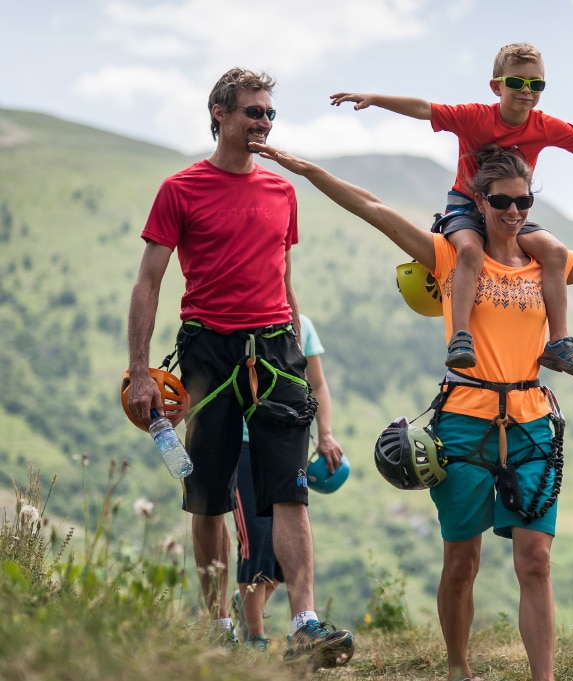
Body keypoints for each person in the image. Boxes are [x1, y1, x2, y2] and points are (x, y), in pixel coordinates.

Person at [249, 139, 573, 681]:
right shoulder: (450, 255)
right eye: (501, 202)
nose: (514, 213)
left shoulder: (547, 265)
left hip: (534, 422)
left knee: (535, 560)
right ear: (479, 202)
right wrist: (302, 166)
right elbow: (371, 207)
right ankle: (458, 668)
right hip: (463, 420)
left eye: (523, 203)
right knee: (462, 562)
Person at [125, 67, 353, 668]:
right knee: (208, 496)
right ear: (219, 115)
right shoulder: (181, 188)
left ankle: (304, 623)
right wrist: (141, 369)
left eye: (270, 114)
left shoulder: (283, 192)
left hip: (276, 351)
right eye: (253, 111)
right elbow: (149, 280)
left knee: (291, 491)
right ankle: (219, 625)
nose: (264, 123)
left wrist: (301, 361)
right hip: (207, 351)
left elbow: (284, 281)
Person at [330, 42, 573, 379]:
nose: (526, 90)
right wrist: (375, 98)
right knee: (469, 250)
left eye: (536, 83)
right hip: (467, 206)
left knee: (556, 252)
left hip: (512, 209)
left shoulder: (544, 125)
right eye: (516, 82)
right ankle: (461, 336)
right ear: (496, 86)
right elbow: (426, 109)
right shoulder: (475, 117)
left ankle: (559, 342)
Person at [231, 312, 345, 652]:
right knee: (254, 536)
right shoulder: (238, 317)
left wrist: (325, 434)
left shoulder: (301, 324)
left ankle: (245, 601)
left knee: (283, 549)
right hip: (242, 445)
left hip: (284, 439)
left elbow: (318, 383)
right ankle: (256, 636)